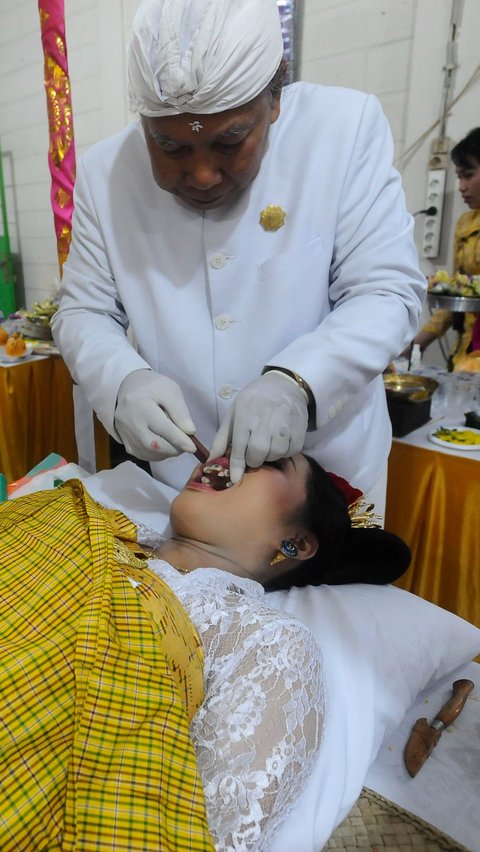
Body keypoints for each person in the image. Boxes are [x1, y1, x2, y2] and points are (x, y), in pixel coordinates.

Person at [51, 0, 425, 512]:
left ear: (274, 100)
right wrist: (122, 381)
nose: (202, 174)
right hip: (184, 481)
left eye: (231, 141)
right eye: (170, 146)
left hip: (326, 481)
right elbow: (82, 310)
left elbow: (387, 292)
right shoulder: (106, 172)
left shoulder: (342, 130)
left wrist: (298, 382)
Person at [0, 452, 409, 851]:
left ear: (296, 543)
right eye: (230, 448)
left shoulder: (267, 641)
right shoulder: (78, 521)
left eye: (269, 460)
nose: (226, 458)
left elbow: (215, 832)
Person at [408, 128, 480, 369]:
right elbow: (457, 292)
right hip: (466, 350)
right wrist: (417, 344)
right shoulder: (466, 225)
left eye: (468, 175)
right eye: (459, 177)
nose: (461, 186)